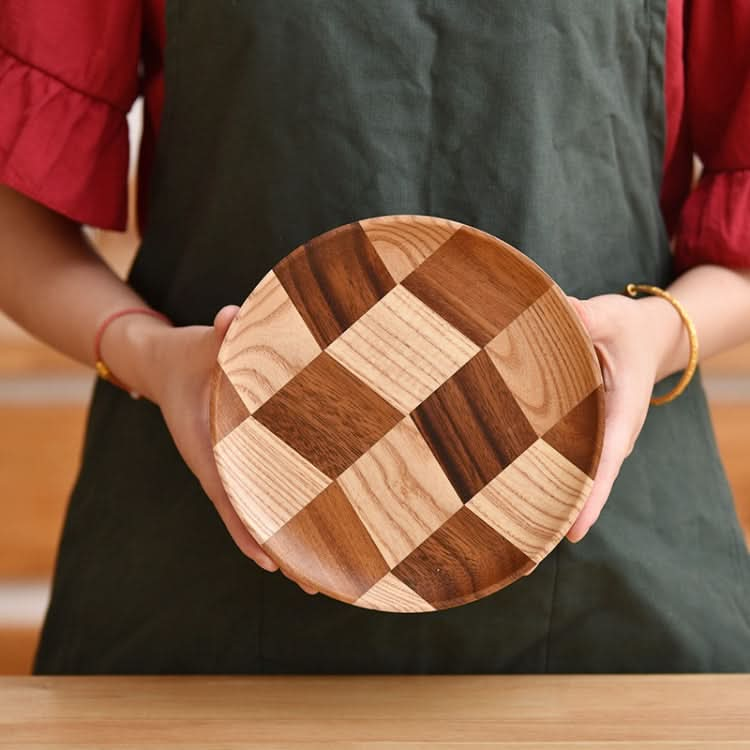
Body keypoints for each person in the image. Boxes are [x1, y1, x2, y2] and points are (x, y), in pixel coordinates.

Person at [1, 0, 749, 674]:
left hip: (610, 576)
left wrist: (661, 333)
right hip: (201, 564)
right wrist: (153, 358)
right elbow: (13, 210)